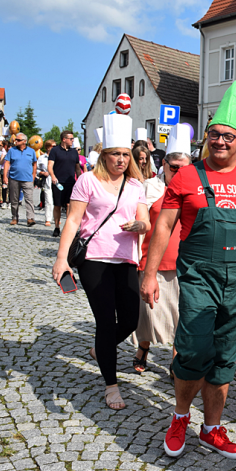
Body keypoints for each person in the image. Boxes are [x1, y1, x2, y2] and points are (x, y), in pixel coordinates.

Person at [140, 82, 236, 459]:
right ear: (206, 137)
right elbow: (163, 225)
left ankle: (211, 428)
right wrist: (148, 273)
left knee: (226, 356)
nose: (220, 142)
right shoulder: (186, 177)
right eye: (214, 135)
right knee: (192, 351)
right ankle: (180, 417)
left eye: (228, 136)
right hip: (199, 278)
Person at [52, 113, 150, 410]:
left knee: (131, 320)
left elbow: (145, 221)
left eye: (124, 154)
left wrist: (138, 226)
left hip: (126, 259)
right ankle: (111, 385)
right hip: (94, 258)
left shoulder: (136, 185)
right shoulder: (87, 181)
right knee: (106, 321)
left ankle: (100, 348)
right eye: (115, 154)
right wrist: (61, 259)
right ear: (104, 155)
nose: (121, 159)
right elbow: (73, 221)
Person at [132, 125, 192, 375]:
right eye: (173, 167)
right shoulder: (149, 187)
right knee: (148, 311)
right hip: (152, 258)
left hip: (184, 260)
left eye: (183, 168)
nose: (177, 172)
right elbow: (140, 218)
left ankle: (176, 361)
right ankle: (143, 348)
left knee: (182, 315)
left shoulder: (194, 190)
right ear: (164, 164)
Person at [48, 131, 81, 237]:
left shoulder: (74, 152)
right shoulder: (55, 150)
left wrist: (80, 179)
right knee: (57, 205)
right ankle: (57, 227)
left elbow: (77, 168)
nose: (73, 141)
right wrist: (53, 176)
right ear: (64, 139)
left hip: (71, 182)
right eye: (71, 139)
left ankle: (68, 227)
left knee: (69, 205)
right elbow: (50, 166)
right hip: (58, 182)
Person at [3, 133, 37, 226]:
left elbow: (34, 164)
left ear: (24, 141)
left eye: (18, 140)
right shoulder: (12, 151)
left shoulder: (31, 151)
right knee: (14, 199)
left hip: (27, 178)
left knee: (29, 199)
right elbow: (7, 163)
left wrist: (33, 175)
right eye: (16, 140)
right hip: (14, 178)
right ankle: (14, 217)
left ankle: (30, 218)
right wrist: (5, 176)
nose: (16, 141)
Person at [37, 140, 56, 227]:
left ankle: (56, 218)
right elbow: (36, 169)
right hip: (47, 180)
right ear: (48, 147)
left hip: (57, 180)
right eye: (53, 146)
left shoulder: (57, 156)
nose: (55, 148)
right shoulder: (42, 158)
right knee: (48, 200)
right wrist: (42, 173)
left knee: (56, 201)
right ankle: (48, 218)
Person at [0, 140, 9, 208]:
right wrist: (5, 156)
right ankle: (3, 200)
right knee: (4, 186)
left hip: (10, 170)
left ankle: (9, 201)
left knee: (10, 187)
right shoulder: (3, 152)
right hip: (3, 169)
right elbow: (1, 162)